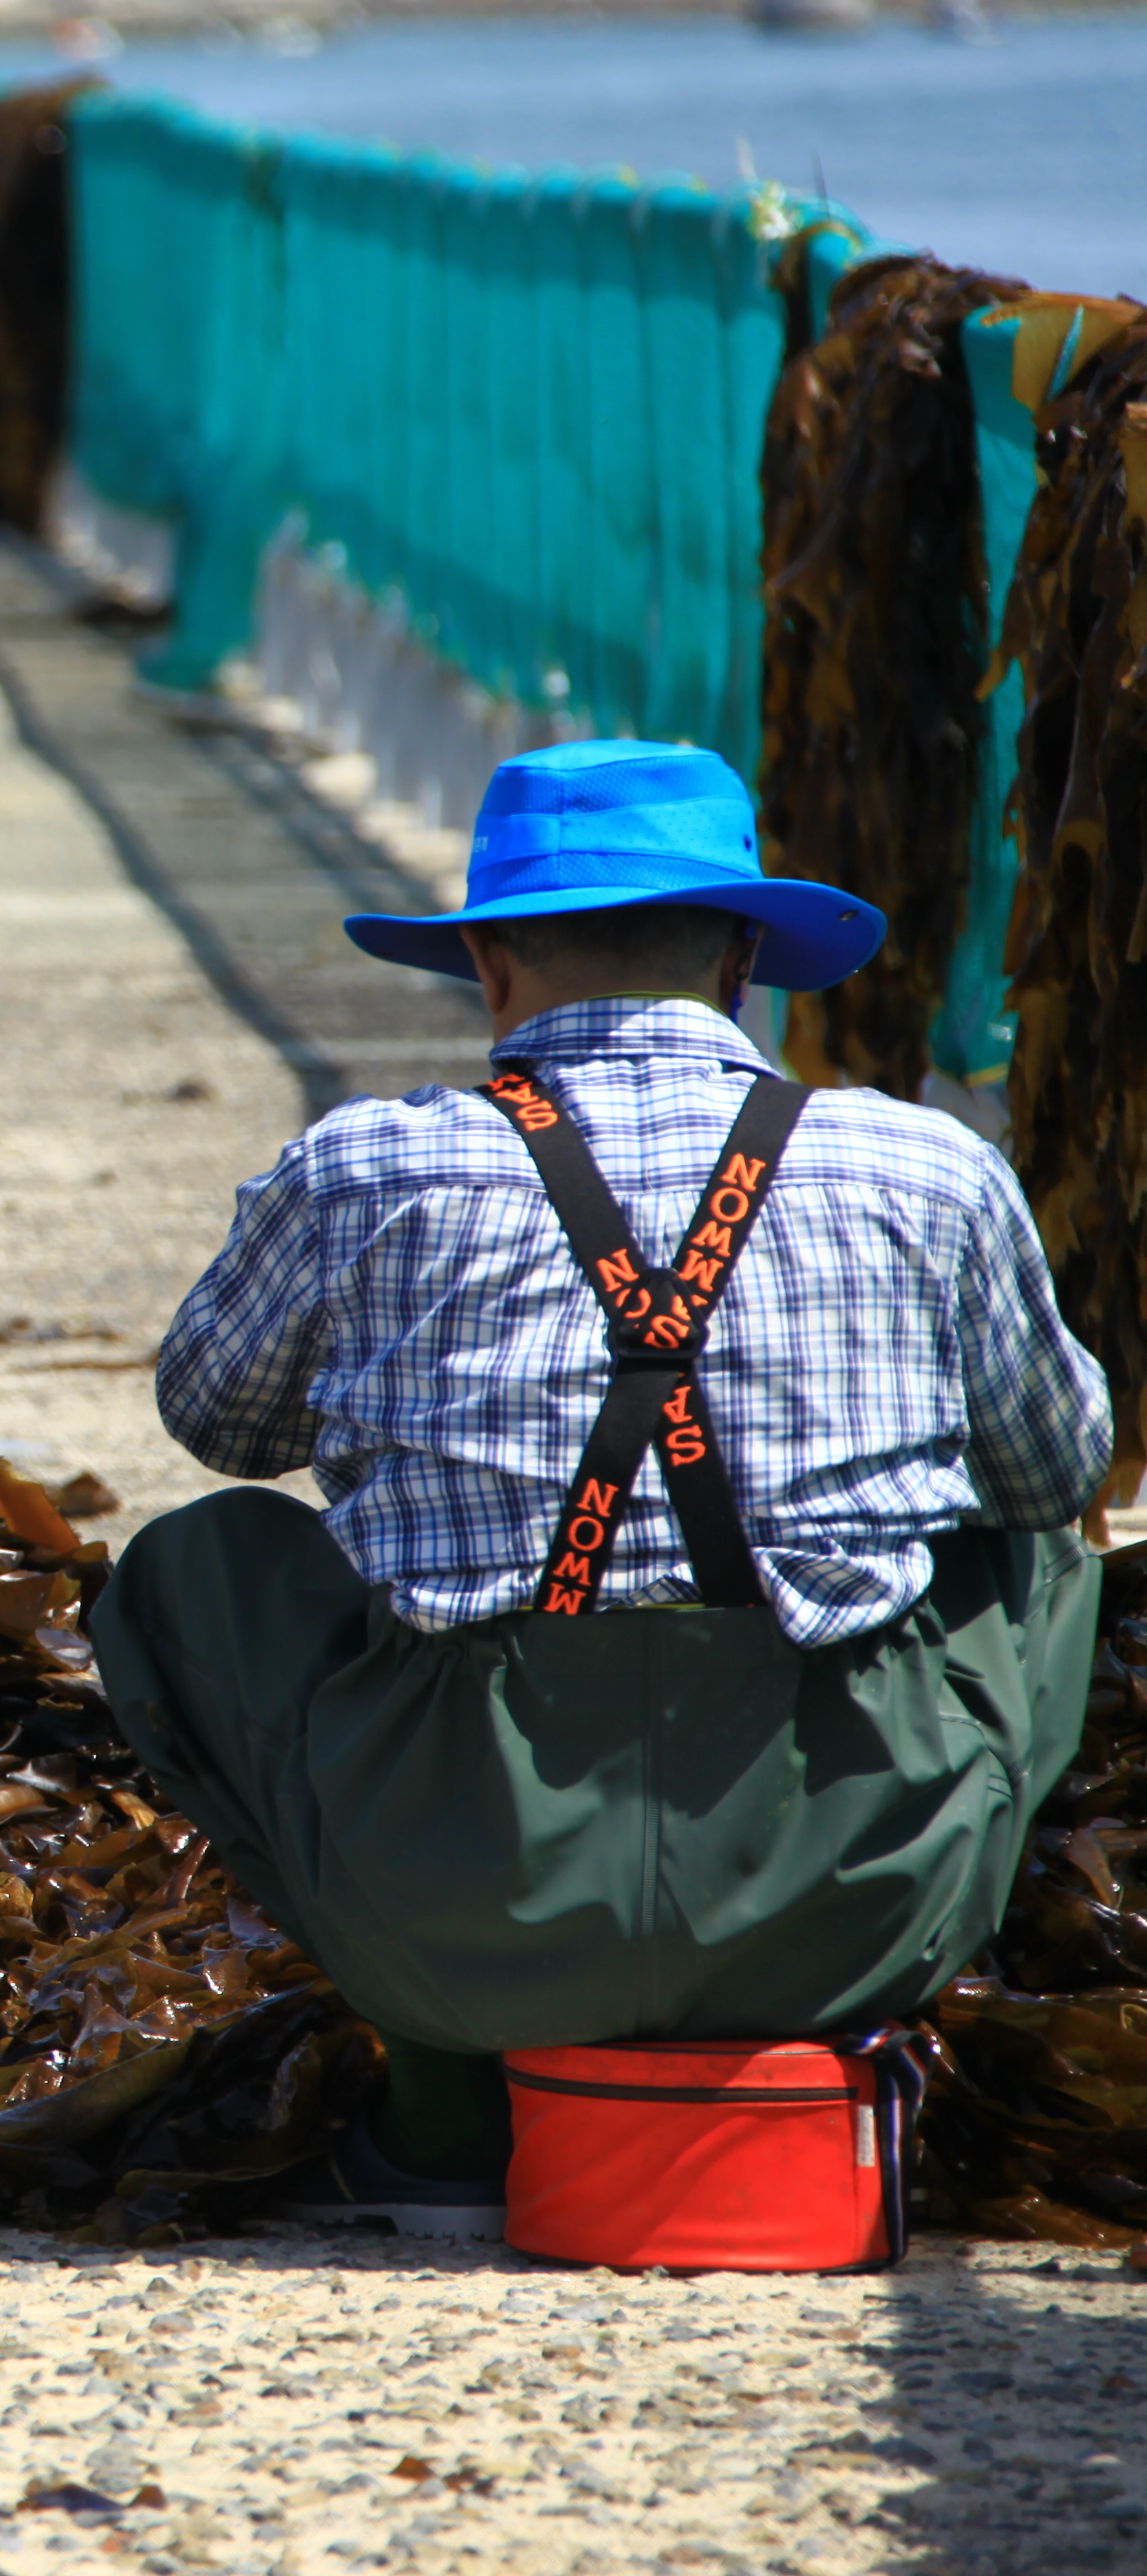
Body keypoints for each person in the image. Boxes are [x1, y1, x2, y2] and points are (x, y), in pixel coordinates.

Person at [105, 739, 1109, 2235]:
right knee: (1046, 1555)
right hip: (849, 1905)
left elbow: (219, 1425)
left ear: (494, 965)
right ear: (746, 960)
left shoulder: (364, 1168)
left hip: (461, 1900)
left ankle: (447, 2101)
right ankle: (828, 2069)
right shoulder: (931, 1173)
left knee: (197, 1566)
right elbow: (1060, 1465)